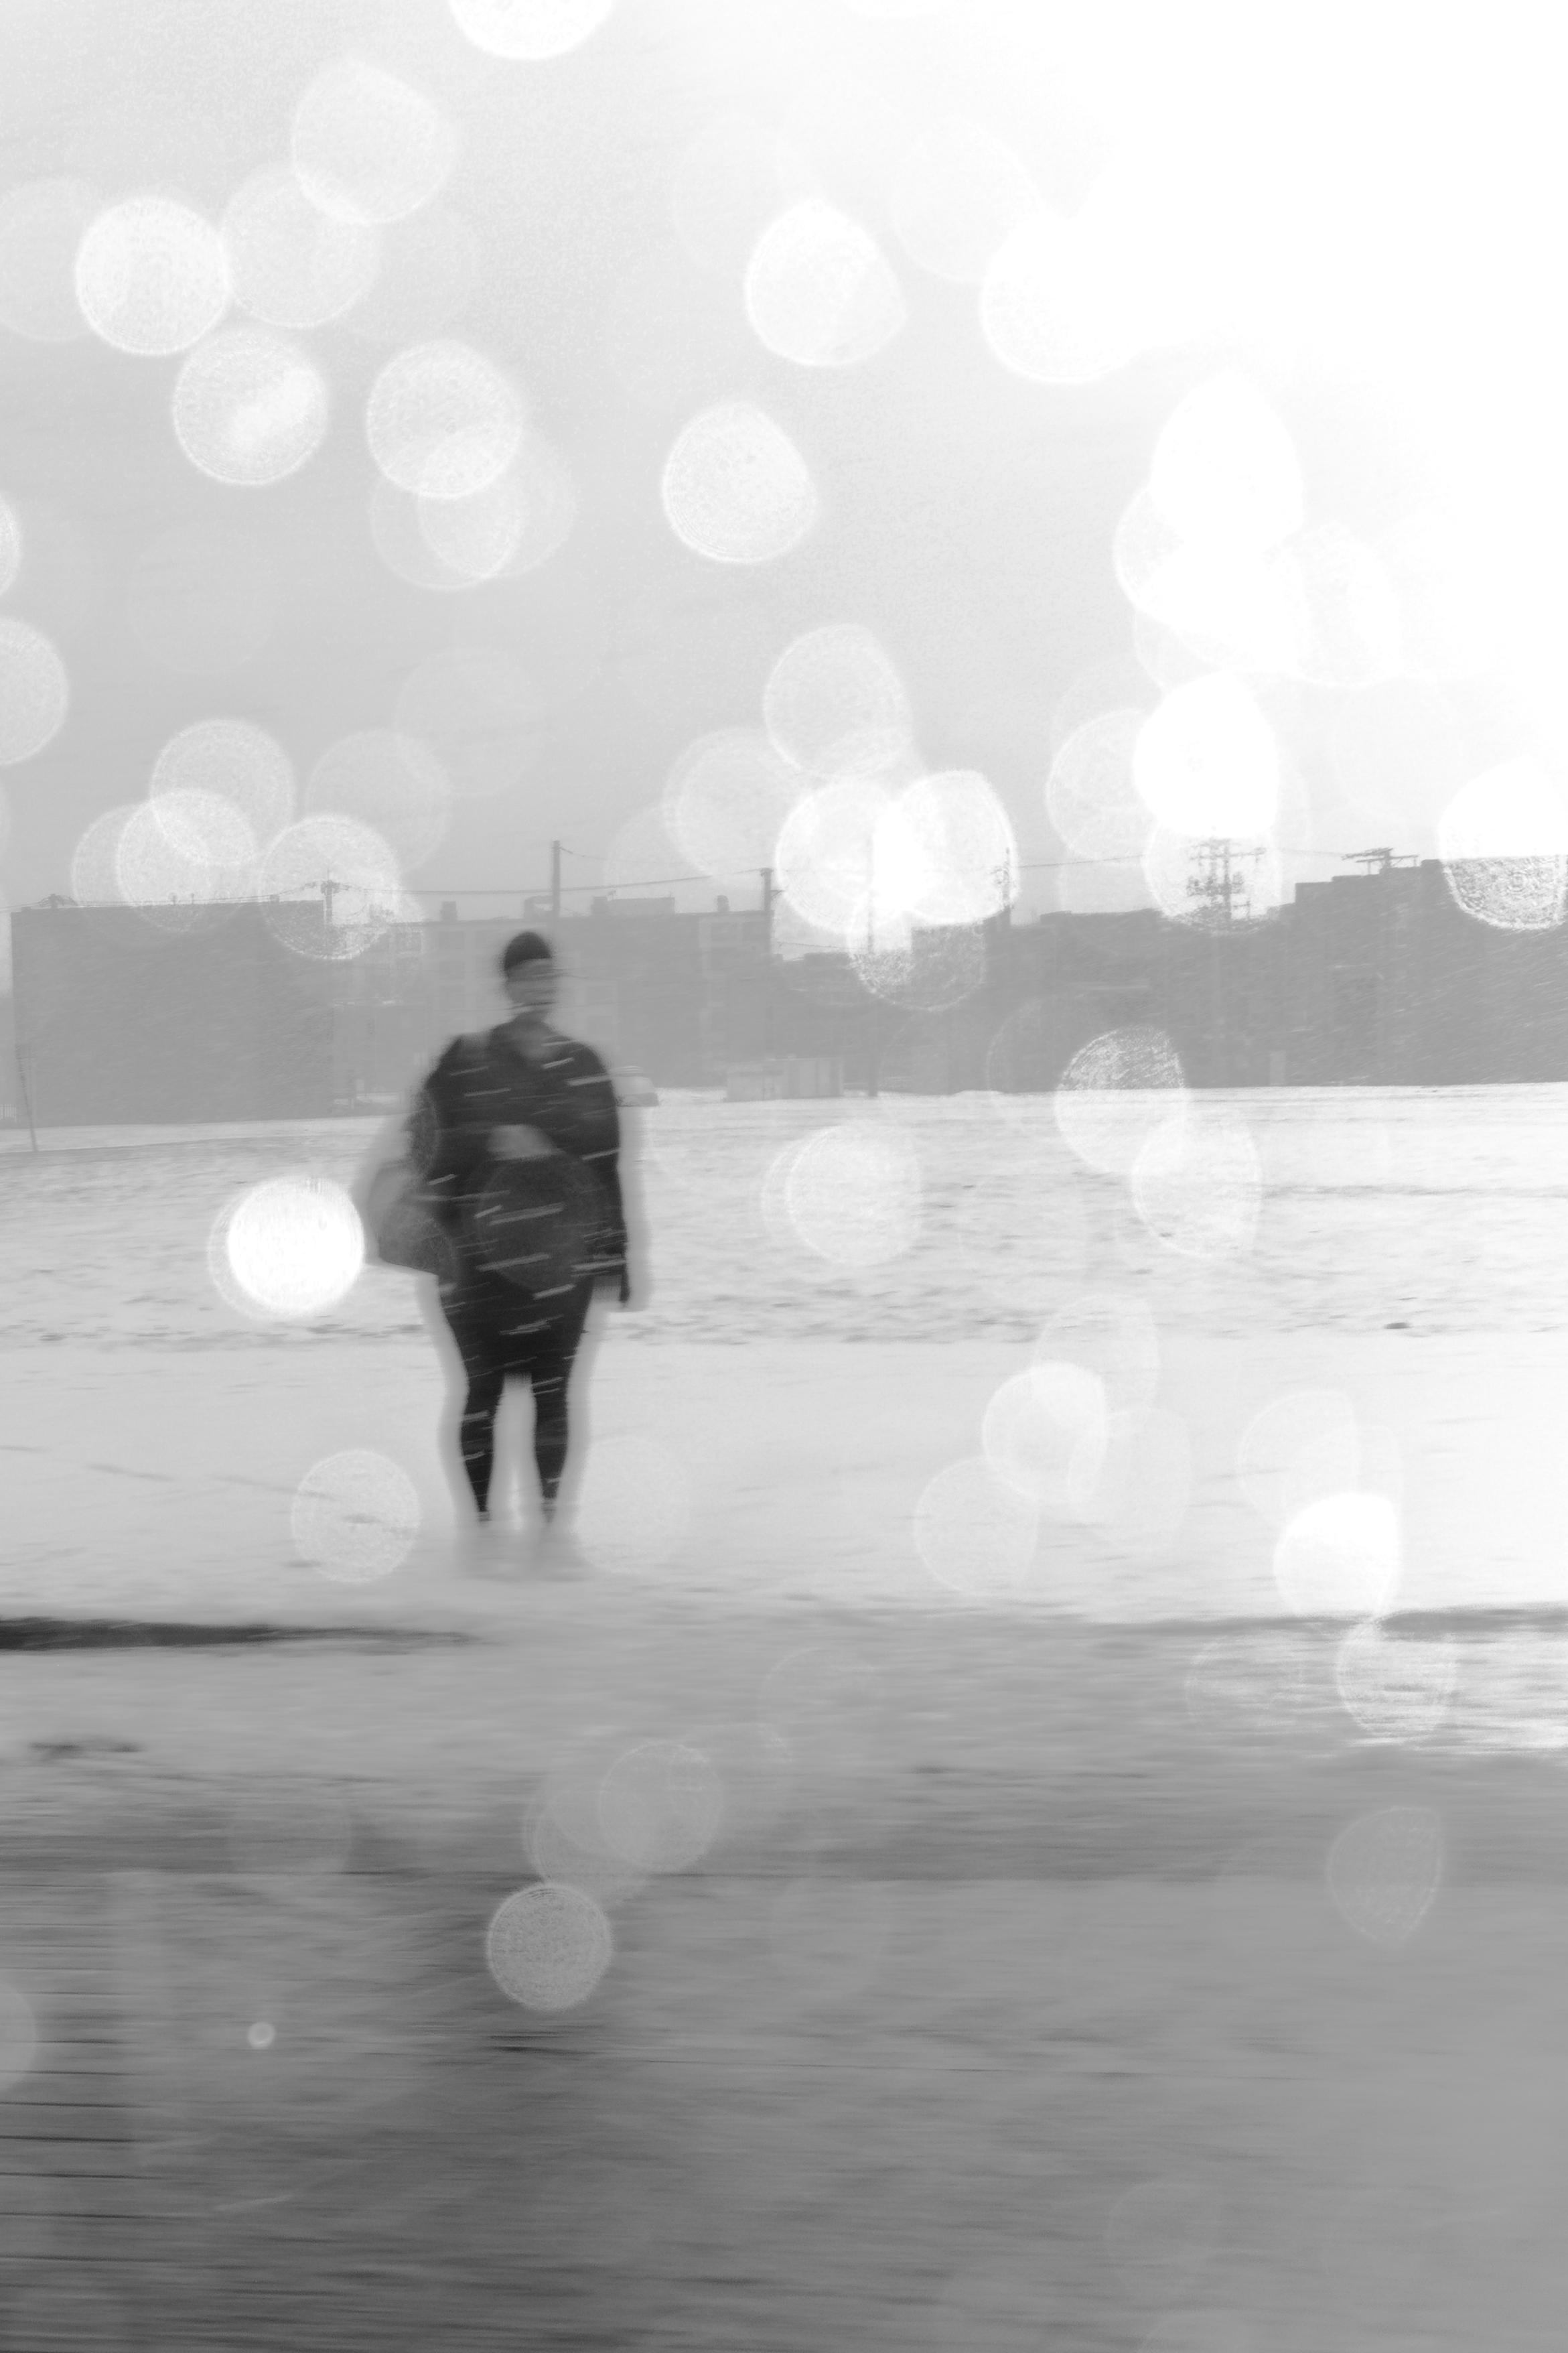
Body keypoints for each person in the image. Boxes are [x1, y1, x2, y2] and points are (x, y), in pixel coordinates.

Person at [398, 931, 634, 1565]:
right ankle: (478, 1531)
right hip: (475, 1259)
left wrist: (615, 1255)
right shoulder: (465, 1059)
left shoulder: (584, 1064)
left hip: (561, 1260)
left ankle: (551, 1531)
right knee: (482, 1391)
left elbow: (610, 1162)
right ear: (507, 986)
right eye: (527, 977)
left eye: (548, 976)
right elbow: (425, 1144)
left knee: (554, 1394)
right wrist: (490, 1138)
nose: (539, 987)